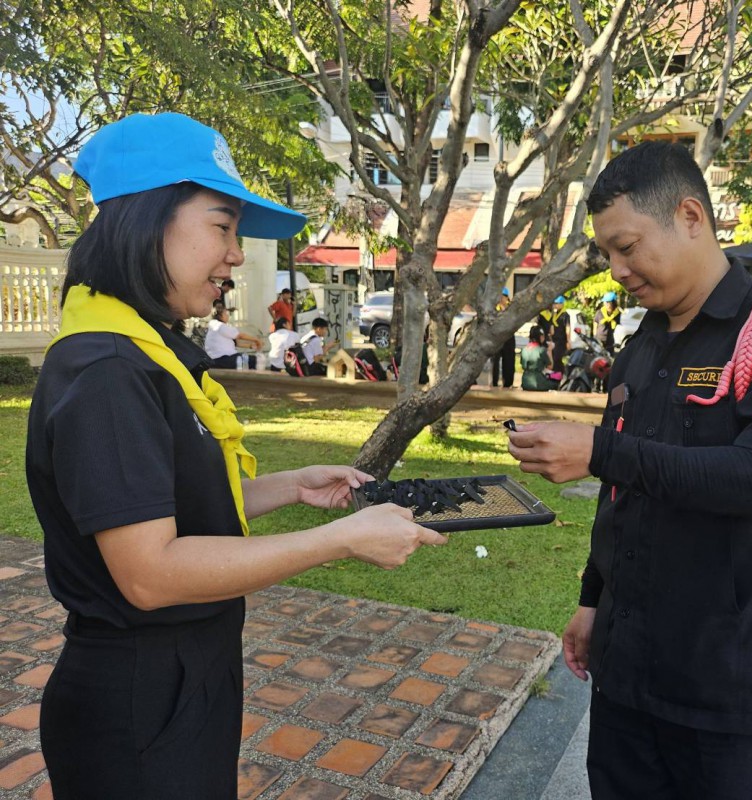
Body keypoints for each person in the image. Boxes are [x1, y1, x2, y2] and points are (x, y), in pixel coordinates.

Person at [23, 112, 446, 800]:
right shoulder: (105, 370)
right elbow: (150, 573)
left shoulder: (145, 353)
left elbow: (160, 505)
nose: (236, 256)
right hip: (136, 695)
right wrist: (337, 540)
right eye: (222, 227)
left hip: (187, 673)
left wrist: (291, 486)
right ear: (145, 219)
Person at [507, 141, 752, 799]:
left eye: (626, 247)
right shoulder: (645, 343)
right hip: (630, 669)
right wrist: (590, 600)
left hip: (731, 680)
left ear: (689, 216)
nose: (615, 270)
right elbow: (624, 494)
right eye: (606, 253)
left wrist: (599, 450)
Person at [204, 304, 262, 369]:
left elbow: (236, 343)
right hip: (224, 359)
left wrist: (251, 346)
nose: (228, 315)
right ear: (220, 315)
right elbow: (240, 336)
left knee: (249, 360)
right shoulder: (220, 326)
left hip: (217, 359)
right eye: (226, 313)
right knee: (256, 360)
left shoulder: (213, 326)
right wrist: (256, 340)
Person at [491, 288, 516, 388]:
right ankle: (494, 382)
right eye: (499, 296)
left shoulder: (511, 309)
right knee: (495, 361)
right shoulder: (494, 309)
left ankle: (508, 382)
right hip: (497, 338)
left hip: (509, 337)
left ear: (507, 297)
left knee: (509, 361)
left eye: (503, 296)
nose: (501, 299)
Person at [520, 326, 554, 391]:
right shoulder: (541, 350)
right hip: (538, 382)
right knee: (557, 376)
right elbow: (550, 366)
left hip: (525, 382)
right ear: (540, 337)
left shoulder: (524, 350)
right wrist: (550, 350)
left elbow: (523, 366)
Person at [546, 295, 571, 372]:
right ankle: (555, 374)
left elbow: (568, 328)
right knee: (553, 358)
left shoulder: (565, 315)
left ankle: (560, 374)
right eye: (555, 303)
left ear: (562, 304)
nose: (555, 305)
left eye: (557, 303)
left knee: (558, 358)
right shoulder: (554, 314)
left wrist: (568, 341)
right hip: (554, 340)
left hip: (561, 341)